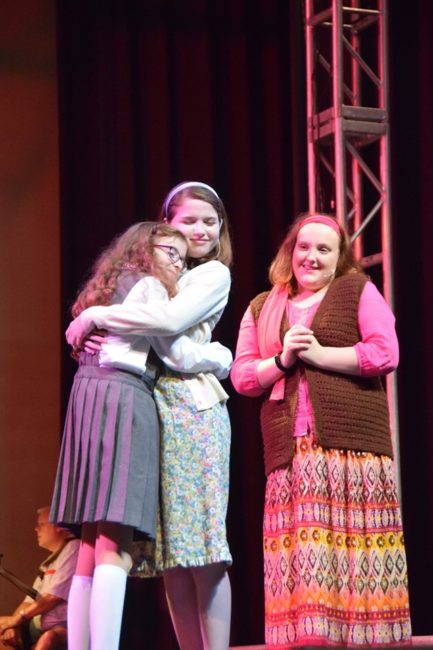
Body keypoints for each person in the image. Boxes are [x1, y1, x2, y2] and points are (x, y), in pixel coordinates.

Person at [65, 181, 233, 650]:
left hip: (193, 411)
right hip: (154, 407)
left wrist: (96, 316)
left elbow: (171, 336)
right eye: (188, 221)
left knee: (203, 548)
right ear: (165, 226)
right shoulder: (155, 278)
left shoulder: (211, 274)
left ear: (221, 230)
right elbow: (165, 341)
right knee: (170, 554)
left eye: (210, 221)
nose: (199, 230)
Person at [230, 213, 411, 648]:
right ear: (290, 253)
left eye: (323, 249)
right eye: (303, 247)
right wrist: (282, 362)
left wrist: (320, 354)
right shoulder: (261, 306)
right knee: (304, 552)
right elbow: (241, 376)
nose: (311, 257)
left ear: (339, 257)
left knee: (356, 553)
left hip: (352, 449)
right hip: (291, 451)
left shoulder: (357, 290)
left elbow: (386, 352)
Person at [0, 506, 79, 650]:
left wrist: (18, 620)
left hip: (63, 627)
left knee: (48, 640)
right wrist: (14, 626)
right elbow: (28, 601)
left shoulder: (74, 547)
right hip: (38, 626)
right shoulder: (50, 561)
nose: (36, 529)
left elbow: (52, 597)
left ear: (59, 526)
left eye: (41, 524)